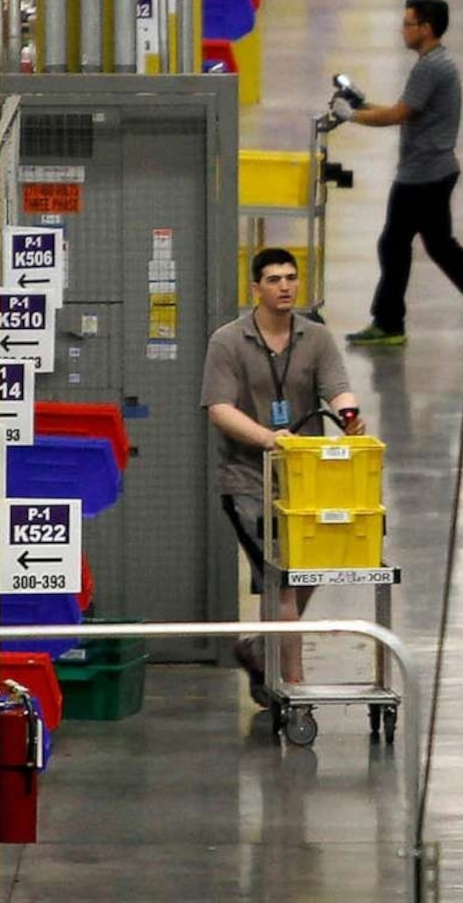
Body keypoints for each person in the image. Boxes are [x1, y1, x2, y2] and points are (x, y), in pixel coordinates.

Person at [203, 247, 361, 706]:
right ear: (256, 288)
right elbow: (219, 408)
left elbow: (336, 386)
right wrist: (269, 438)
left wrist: (349, 414)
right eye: (274, 279)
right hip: (247, 480)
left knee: (310, 568)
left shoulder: (315, 338)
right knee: (284, 578)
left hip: (305, 480)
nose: (285, 286)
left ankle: (260, 649)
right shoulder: (228, 342)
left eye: (291, 278)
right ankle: (292, 686)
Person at [341, 0, 463, 347]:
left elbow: (398, 115)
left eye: (408, 24)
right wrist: (361, 106)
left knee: (395, 245)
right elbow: (403, 108)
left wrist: (351, 117)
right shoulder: (435, 64)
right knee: (435, 246)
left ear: (426, 28)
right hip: (432, 171)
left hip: (422, 175)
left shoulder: (431, 67)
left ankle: (391, 322)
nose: (402, 30)